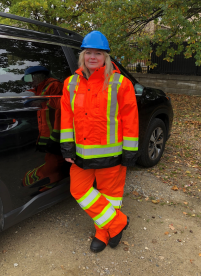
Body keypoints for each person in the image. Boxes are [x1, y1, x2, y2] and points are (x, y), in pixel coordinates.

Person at [60, 31, 139, 252]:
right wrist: (67, 146)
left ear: (106, 57)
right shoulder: (70, 83)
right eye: (88, 53)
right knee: (79, 191)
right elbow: (67, 117)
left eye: (98, 53)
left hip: (111, 156)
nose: (92, 57)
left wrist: (130, 152)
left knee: (111, 197)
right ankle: (118, 223)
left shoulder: (121, 83)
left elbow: (130, 119)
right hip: (81, 155)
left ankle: (102, 233)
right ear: (82, 56)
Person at [22, 66, 67, 192]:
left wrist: (56, 136)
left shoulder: (55, 86)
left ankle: (49, 181)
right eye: (27, 79)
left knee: (55, 160)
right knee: (51, 157)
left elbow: (59, 110)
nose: (29, 81)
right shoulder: (38, 89)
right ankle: (51, 179)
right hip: (46, 131)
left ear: (40, 75)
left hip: (55, 130)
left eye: (30, 77)